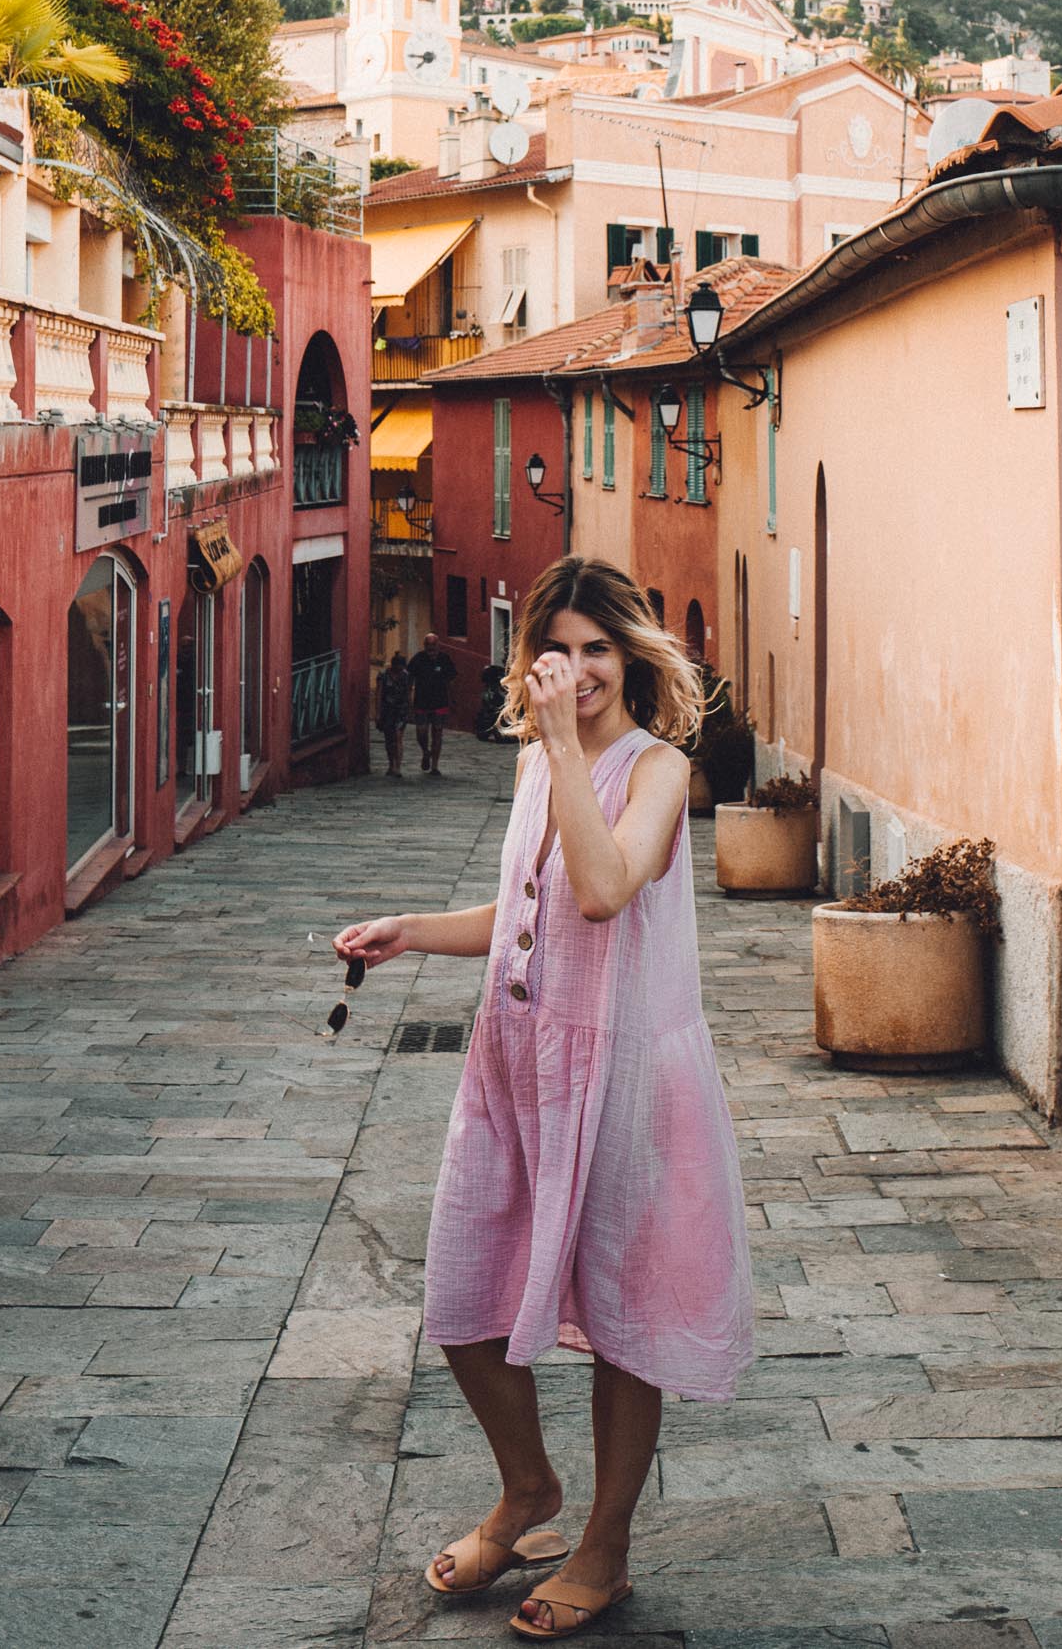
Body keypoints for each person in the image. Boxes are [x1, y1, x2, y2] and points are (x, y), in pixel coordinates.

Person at [335, 558, 752, 1638]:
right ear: (534, 663)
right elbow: (533, 901)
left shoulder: (653, 768)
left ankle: (604, 1545)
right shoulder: (537, 764)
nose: (578, 670)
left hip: (621, 1071)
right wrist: (411, 931)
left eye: (598, 647)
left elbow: (606, 888)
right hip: (514, 1059)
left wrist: (564, 743)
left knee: (622, 1316)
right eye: (556, 651)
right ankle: (528, 1489)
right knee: (462, 1291)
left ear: (631, 654)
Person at [408, 630, 458, 776]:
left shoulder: (444, 659)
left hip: (440, 702)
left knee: (437, 732)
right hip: (421, 702)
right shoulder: (418, 659)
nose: (431, 647)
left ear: (438, 645)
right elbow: (410, 678)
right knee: (421, 732)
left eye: (433, 644)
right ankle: (425, 751)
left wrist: (452, 700)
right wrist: (408, 698)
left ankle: (435, 766)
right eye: (428, 644)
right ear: (424, 645)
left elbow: (451, 680)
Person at [376, 651, 413, 776]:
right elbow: (379, 694)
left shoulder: (406, 676)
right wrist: (378, 712)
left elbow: (408, 693)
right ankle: (391, 764)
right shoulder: (383, 675)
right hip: (387, 710)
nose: (400, 669)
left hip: (401, 710)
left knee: (398, 737)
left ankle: (398, 766)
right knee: (388, 739)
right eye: (399, 667)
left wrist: (410, 708)